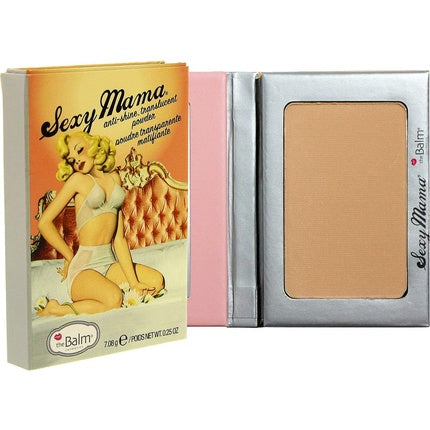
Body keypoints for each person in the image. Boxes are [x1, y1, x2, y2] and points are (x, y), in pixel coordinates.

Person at [37, 131, 164, 316]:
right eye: (71, 160)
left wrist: (134, 282)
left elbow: (119, 240)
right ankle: (56, 309)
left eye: (79, 150)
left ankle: (108, 295)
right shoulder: (77, 180)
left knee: (156, 281)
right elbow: (44, 223)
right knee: (114, 299)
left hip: (109, 264)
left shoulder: (115, 178)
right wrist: (69, 256)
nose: (76, 160)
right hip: (84, 269)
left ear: (93, 146)